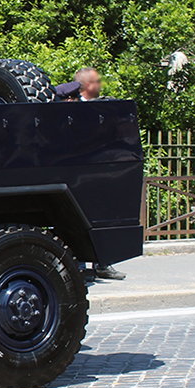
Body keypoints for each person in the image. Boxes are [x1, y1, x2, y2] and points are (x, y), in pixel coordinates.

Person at [68, 67, 125, 280]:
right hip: (78, 172)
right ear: (89, 85)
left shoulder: (103, 108)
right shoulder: (70, 107)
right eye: (98, 82)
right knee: (78, 217)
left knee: (102, 216)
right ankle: (81, 266)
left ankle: (103, 263)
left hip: (99, 171)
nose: (101, 85)